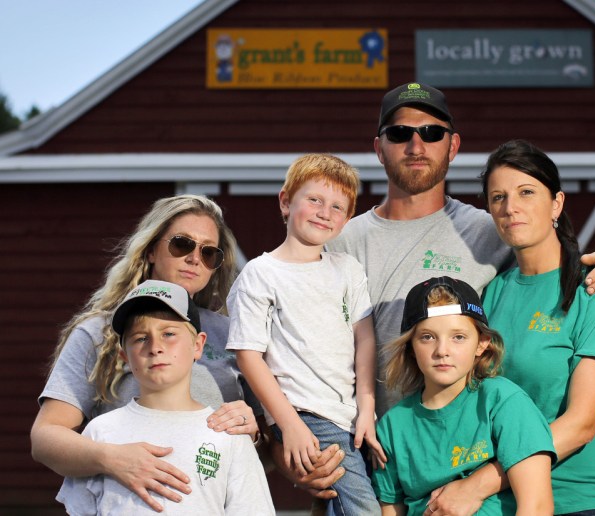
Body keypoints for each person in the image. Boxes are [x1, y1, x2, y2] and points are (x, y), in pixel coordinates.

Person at [278, 82, 595, 505]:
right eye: (399, 133)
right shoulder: (337, 241)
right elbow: (284, 348)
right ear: (379, 147)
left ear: (453, 146)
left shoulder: (490, 232)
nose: (416, 144)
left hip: (485, 480)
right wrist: (288, 448)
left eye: (432, 133)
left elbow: (546, 253)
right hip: (372, 466)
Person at [31, 194, 260, 513]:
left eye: (209, 252)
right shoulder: (100, 332)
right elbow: (46, 437)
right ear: (151, 248)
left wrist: (256, 433)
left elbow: (267, 449)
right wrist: (112, 459)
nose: (195, 258)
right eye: (182, 244)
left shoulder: (235, 334)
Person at [479, 139, 595, 515]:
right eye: (498, 197)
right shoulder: (490, 293)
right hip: (500, 503)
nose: (510, 207)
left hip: (577, 498)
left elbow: (581, 424)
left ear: (557, 204)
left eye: (526, 192)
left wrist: (477, 483)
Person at [226, 153, 386, 515]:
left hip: (349, 413)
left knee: (338, 504)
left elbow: (365, 339)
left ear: (346, 219)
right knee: (362, 508)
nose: (324, 212)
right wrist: (289, 424)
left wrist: (367, 406)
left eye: (337, 207)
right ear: (286, 201)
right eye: (314, 199)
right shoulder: (261, 274)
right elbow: (248, 355)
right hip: (306, 413)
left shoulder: (347, 269)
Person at [56, 280, 275, 515]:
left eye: (169, 334)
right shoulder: (100, 433)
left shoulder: (229, 433)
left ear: (198, 345)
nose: (155, 347)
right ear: (125, 356)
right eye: (141, 338)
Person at [372, 277, 556, 515]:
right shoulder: (392, 426)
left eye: (458, 337)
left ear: (481, 344)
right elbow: (391, 509)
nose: (442, 351)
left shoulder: (504, 401)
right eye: (427, 337)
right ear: (411, 347)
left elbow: (536, 506)